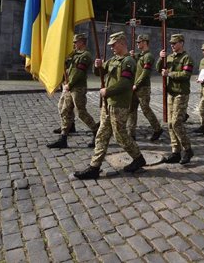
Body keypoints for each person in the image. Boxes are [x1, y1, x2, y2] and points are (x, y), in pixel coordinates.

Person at [74, 32, 146, 180]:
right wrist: (97, 66)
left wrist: (108, 91)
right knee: (101, 135)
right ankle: (94, 167)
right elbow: (99, 73)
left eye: (114, 44)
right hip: (108, 105)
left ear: (121, 43)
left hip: (119, 104)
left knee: (120, 136)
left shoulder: (128, 62)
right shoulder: (114, 60)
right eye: (111, 45)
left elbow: (126, 83)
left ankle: (138, 158)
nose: (111, 47)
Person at [47, 33, 98, 149]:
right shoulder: (74, 54)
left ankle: (96, 131)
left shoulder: (86, 56)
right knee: (65, 110)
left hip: (78, 88)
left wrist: (69, 84)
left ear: (81, 42)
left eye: (75, 42)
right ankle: (63, 138)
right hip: (70, 87)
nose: (74, 44)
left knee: (81, 113)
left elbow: (78, 73)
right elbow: (68, 67)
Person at [157, 34, 195, 165]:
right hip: (171, 93)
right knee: (170, 124)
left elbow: (186, 75)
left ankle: (188, 149)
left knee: (176, 123)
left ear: (181, 43)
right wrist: (160, 58)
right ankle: (175, 152)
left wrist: (170, 74)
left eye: (175, 43)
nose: (172, 45)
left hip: (181, 93)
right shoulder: (169, 57)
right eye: (171, 43)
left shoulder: (186, 58)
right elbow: (158, 69)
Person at [128, 34, 163, 142]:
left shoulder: (148, 56)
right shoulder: (141, 55)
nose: (137, 44)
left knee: (145, 109)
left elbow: (145, 73)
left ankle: (157, 129)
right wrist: (132, 56)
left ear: (144, 42)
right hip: (135, 87)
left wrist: (136, 84)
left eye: (139, 42)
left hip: (143, 87)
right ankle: (131, 133)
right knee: (131, 110)